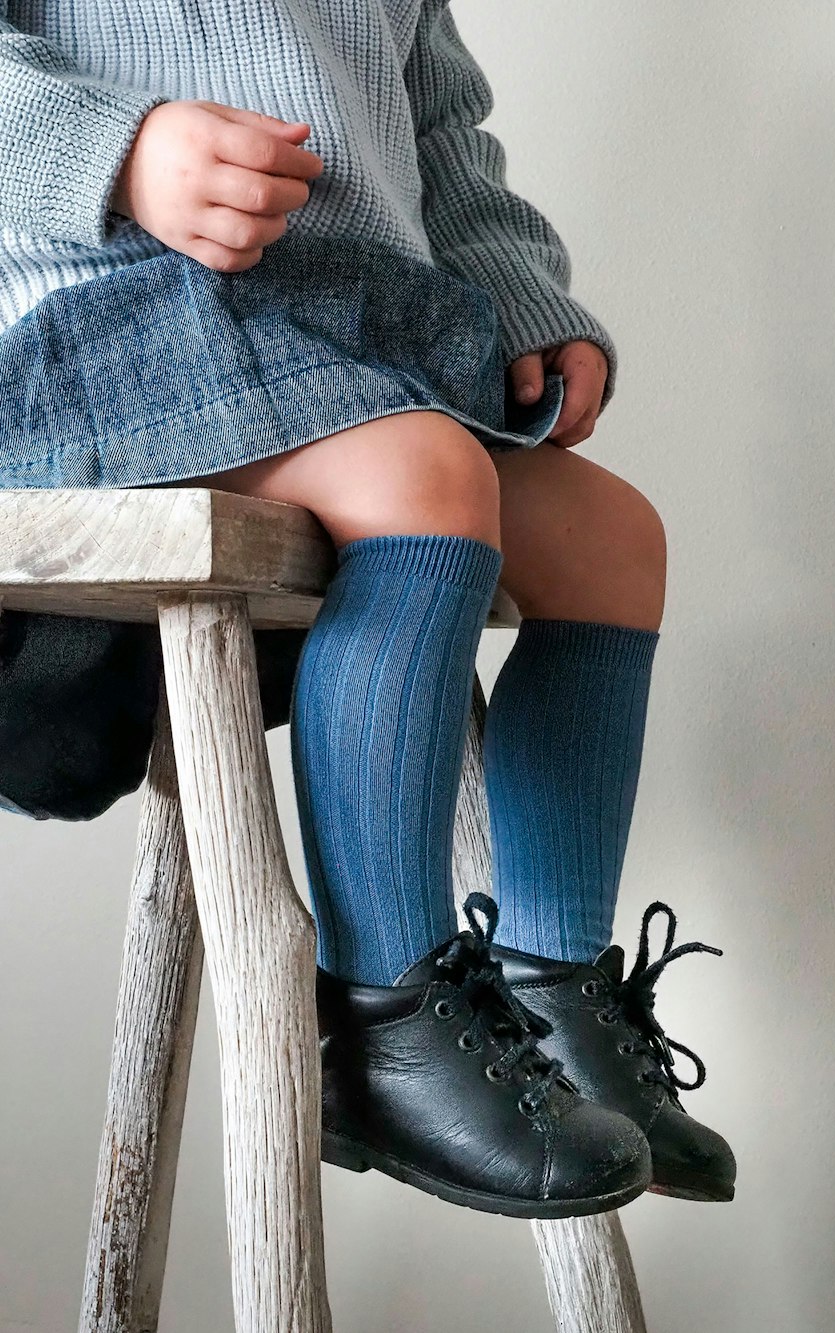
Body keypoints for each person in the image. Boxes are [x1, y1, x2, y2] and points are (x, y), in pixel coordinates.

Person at [0, 0, 735, 1217]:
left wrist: (522, 295)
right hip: (106, 322)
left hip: (357, 336)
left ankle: (555, 1002)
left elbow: (441, 132)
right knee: (423, 481)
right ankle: (384, 1021)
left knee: (615, 539)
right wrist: (120, 155)